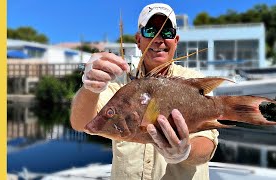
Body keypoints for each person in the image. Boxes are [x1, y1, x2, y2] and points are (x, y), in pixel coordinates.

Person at [70, 3, 219, 180]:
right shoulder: (120, 83)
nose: (159, 38)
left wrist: (185, 151)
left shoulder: (192, 82)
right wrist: (90, 88)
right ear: (138, 40)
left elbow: (207, 145)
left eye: (167, 32)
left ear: (176, 41)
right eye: (150, 31)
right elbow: (81, 123)